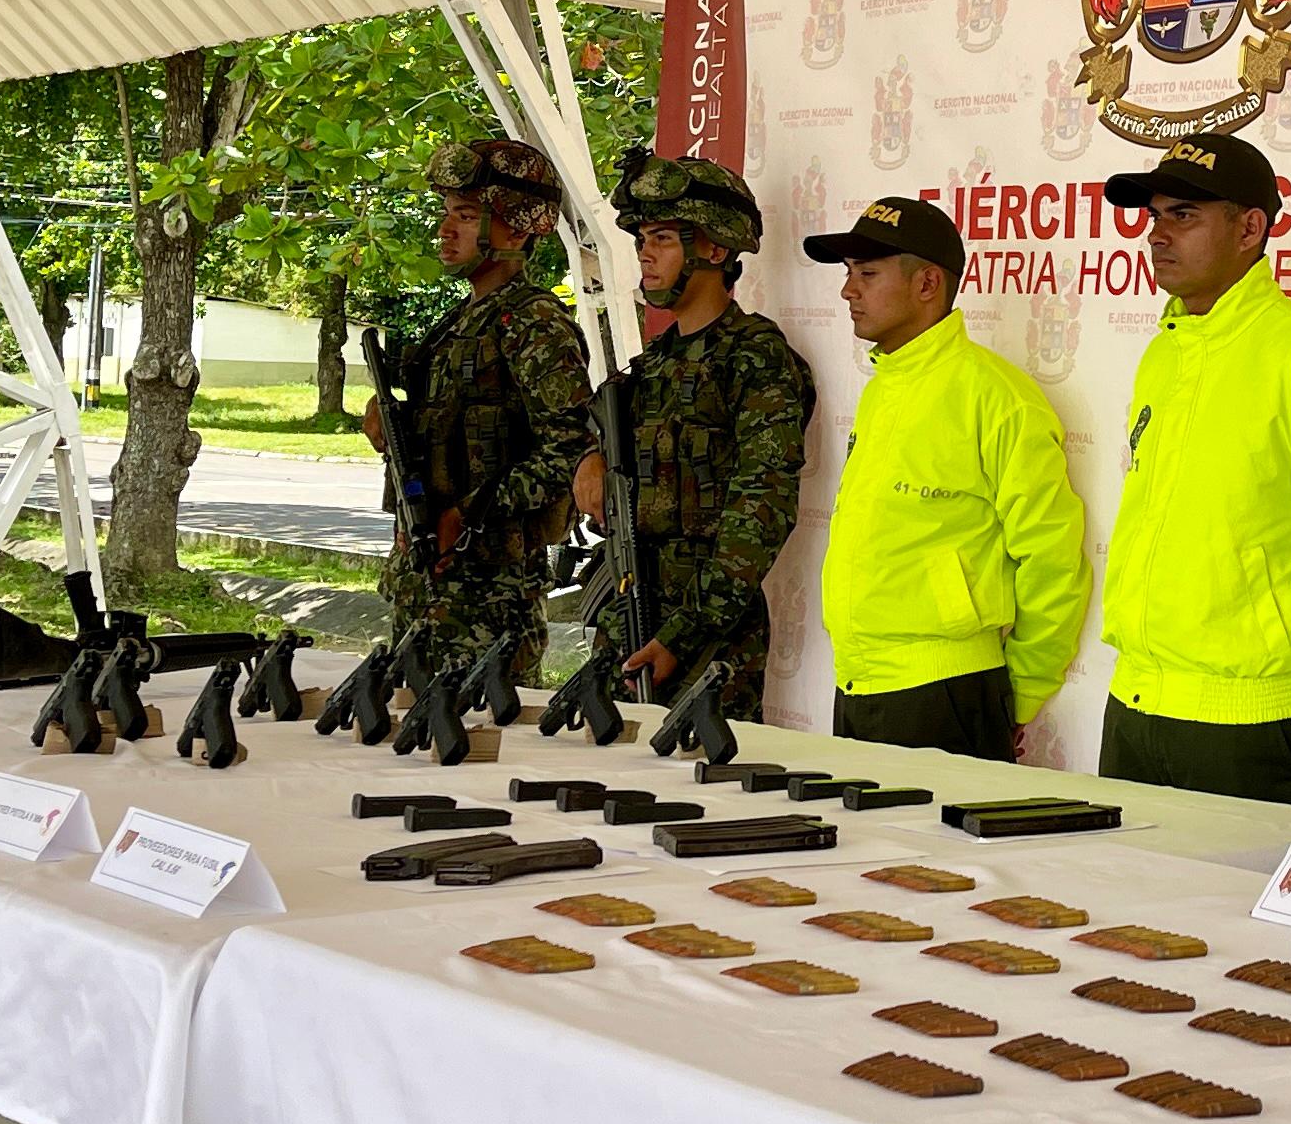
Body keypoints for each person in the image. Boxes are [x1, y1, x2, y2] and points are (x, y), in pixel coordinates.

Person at [1094, 132, 1291, 807]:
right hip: (1134, 703)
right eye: (1154, 216)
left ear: (1249, 228)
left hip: (1252, 722)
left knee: (1242, 915)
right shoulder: (1164, 353)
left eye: (1183, 214)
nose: (1157, 234)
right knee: (1125, 911)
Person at [804, 195, 1091, 759]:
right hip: (859, 683)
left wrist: (1023, 693)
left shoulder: (995, 396)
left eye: (867, 273)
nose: (847, 291)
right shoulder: (884, 385)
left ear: (928, 284)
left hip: (946, 691)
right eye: (847, 274)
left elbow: (1052, 556)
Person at [577, 149, 814, 706]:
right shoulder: (654, 363)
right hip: (630, 604)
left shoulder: (754, 357)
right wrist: (589, 459)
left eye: (662, 239)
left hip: (708, 638)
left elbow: (761, 510)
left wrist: (683, 634)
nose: (646, 255)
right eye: (642, 241)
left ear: (714, 246)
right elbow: (612, 446)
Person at [373, 136, 599, 706]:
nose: (447, 230)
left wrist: (471, 513)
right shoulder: (461, 322)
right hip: (427, 583)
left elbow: (569, 451)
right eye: (448, 213)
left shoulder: (536, 325)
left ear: (516, 230)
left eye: (468, 216)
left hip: (489, 598)